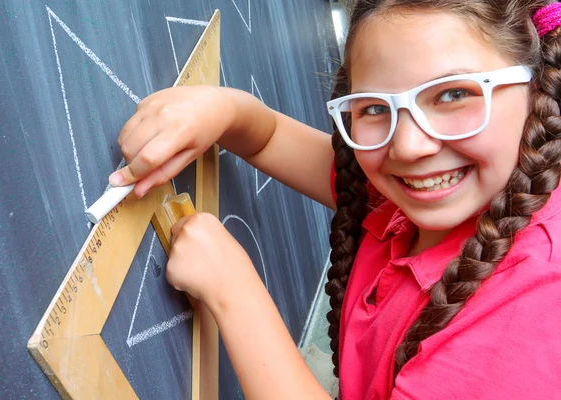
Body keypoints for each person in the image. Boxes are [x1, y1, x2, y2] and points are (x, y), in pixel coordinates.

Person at [108, 0, 561, 398]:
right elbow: (267, 139)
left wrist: (232, 291)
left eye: (454, 94)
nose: (407, 146)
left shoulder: (534, 315)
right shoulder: (404, 198)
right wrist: (226, 110)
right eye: (375, 108)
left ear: (537, 88)